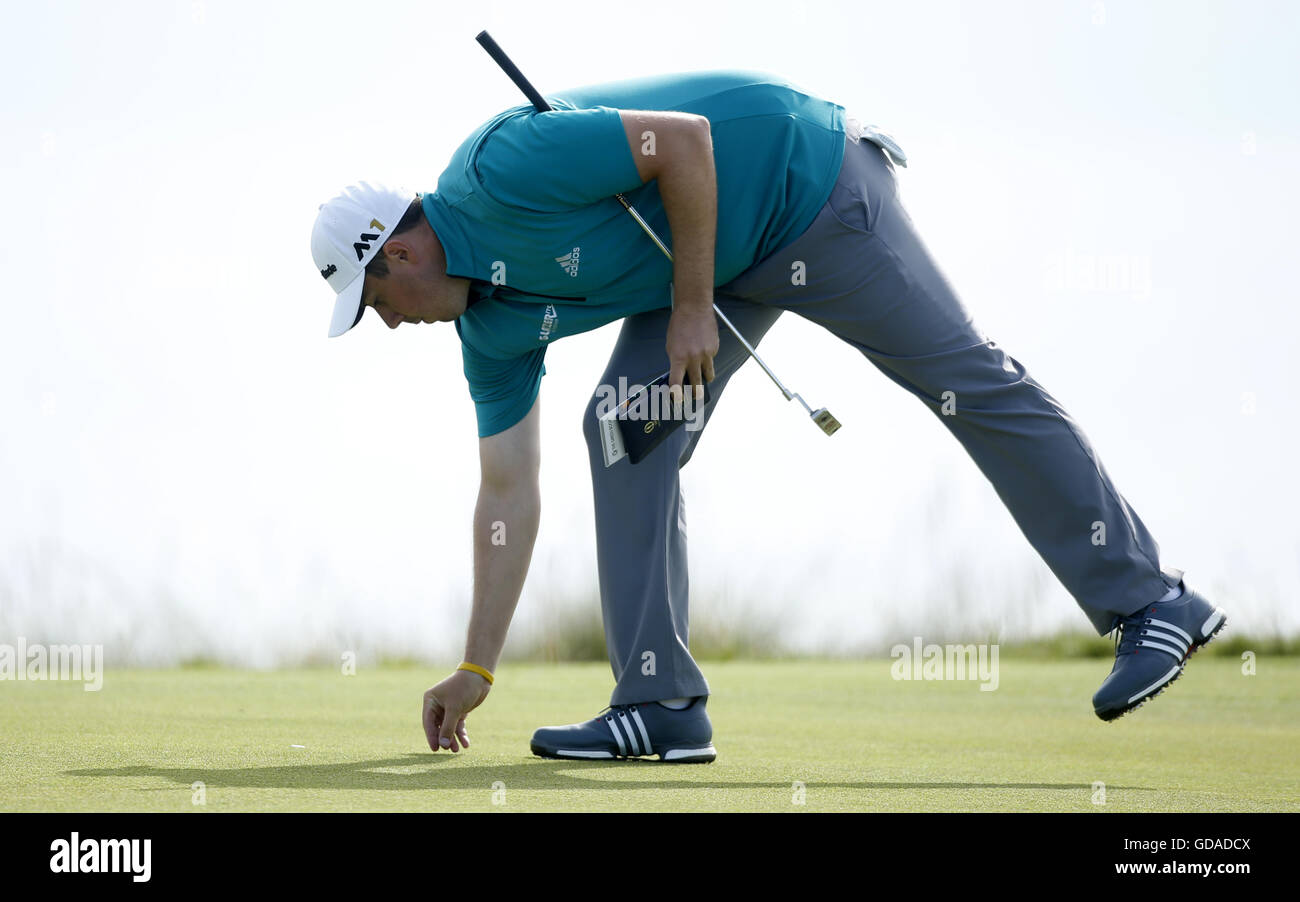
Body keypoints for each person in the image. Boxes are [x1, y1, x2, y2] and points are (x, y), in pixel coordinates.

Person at [309, 70, 1227, 763]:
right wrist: (477, 669)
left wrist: (693, 304)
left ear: (395, 248)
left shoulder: (498, 169)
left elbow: (687, 143)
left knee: (966, 380)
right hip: (713, 265)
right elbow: (508, 491)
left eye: (374, 299)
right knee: (625, 431)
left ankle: (1153, 600)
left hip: (810, 187)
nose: (385, 322)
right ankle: (661, 705)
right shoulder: (489, 334)